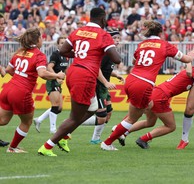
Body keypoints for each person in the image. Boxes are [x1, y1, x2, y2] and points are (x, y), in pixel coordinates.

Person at [38, 8, 121, 156]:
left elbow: (63, 51)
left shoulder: (79, 31)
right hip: (86, 76)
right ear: (103, 19)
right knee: (74, 117)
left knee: (93, 108)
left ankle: (65, 135)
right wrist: (101, 51)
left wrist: (80, 54)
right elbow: (117, 59)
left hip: (73, 71)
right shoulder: (103, 35)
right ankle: (48, 146)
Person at [101, 20, 194, 151]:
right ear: (161, 32)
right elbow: (187, 60)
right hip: (143, 83)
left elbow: (134, 61)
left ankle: (122, 128)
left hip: (131, 79)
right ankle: (108, 141)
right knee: (132, 118)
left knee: (149, 106)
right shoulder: (164, 45)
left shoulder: (142, 44)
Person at [123, 63, 194, 149]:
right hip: (160, 97)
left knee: (150, 122)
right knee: (171, 126)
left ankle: (123, 132)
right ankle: (143, 139)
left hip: (154, 93)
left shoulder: (193, 71)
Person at [0, 28, 65, 153]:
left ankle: (13, 148)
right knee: (27, 122)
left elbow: (8, 69)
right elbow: (42, 73)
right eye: (41, 37)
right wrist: (57, 75)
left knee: (3, 120)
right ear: (38, 39)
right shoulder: (38, 54)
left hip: (8, 88)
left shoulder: (20, 51)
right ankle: (12, 148)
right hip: (21, 92)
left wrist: (20, 77)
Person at [81, 28, 125, 145]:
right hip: (98, 86)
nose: (117, 40)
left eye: (118, 38)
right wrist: (106, 82)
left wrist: (116, 75)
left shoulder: (111, 53)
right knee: (101, 117)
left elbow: (106, 70)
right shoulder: (105, 53)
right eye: (114, 38)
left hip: (103, 87)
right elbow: (96, 69)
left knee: (108, 113)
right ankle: (74, 122)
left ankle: (95, 138)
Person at [33, 37, 69, 134]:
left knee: (59, 108)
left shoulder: (66, 56)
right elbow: (49, 67)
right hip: (52, 81)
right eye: (61, 43)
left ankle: (39, 119)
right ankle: (52, 129)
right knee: (55, 106)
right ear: (58, 44)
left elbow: (65, 69)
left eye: (64, 43)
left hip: (58, 81)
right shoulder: (55, 54)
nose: (63, 45)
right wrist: (56, 77)